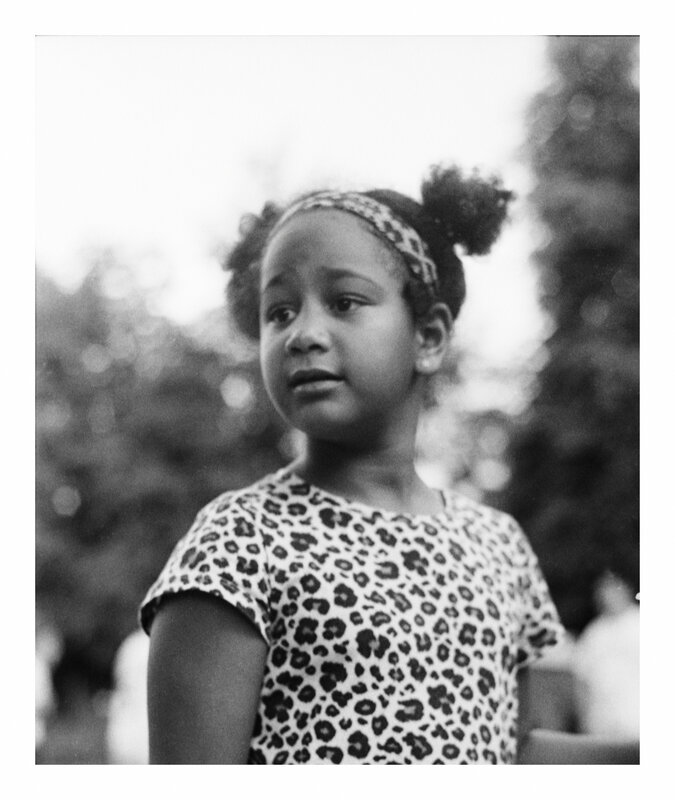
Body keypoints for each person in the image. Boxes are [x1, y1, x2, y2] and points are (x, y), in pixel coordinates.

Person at [140, 166, 635, 764]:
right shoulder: (239, 541)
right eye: (280, 311)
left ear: (428, 337)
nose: (302, 333)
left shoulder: (499, 545)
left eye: (344, 302)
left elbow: (516, 753)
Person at [572, 571, 640, 738]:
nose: (609, 595)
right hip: (601, 725)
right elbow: (580, 680)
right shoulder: (593, 632)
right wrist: (583, 721)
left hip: (637, 722)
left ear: (626, 589)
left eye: (614, 588)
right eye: (604, 590)